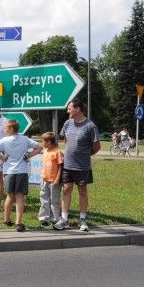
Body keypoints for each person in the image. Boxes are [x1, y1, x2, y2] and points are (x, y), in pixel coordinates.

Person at [54, 98, 101, 232]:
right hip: (68, 164)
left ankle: (82, 219)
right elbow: (66, 140)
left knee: (82, 191)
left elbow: (97, 146)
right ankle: (64, 219)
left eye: (70, 108)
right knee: (66, 189)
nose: (67, 110)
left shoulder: (90, 126)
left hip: (82, 166)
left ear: (77, 109)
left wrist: (85, 155)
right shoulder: (67, 123)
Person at [0, 119, 41, 232]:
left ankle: (6, 220)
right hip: (21, 171)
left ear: (11, 129)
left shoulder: (4, 140)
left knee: (9, 196)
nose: (4, 129)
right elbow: (39, 148)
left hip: (9, 172)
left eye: (6, 128)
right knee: (19, 197)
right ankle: (18, 223)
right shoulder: (25, 139)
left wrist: (2, 158)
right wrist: (28, 156)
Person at [37, 132, 63, 226]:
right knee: (44, 199)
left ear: (48, 142)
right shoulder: (45, 150)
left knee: (54, 200)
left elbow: (60, 166)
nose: (42, 143)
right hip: (44, 180)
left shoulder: (57, 152)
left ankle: (55, 218)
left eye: (43, 141)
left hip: (54, 181)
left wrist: (57, 179)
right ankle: (44, 218)